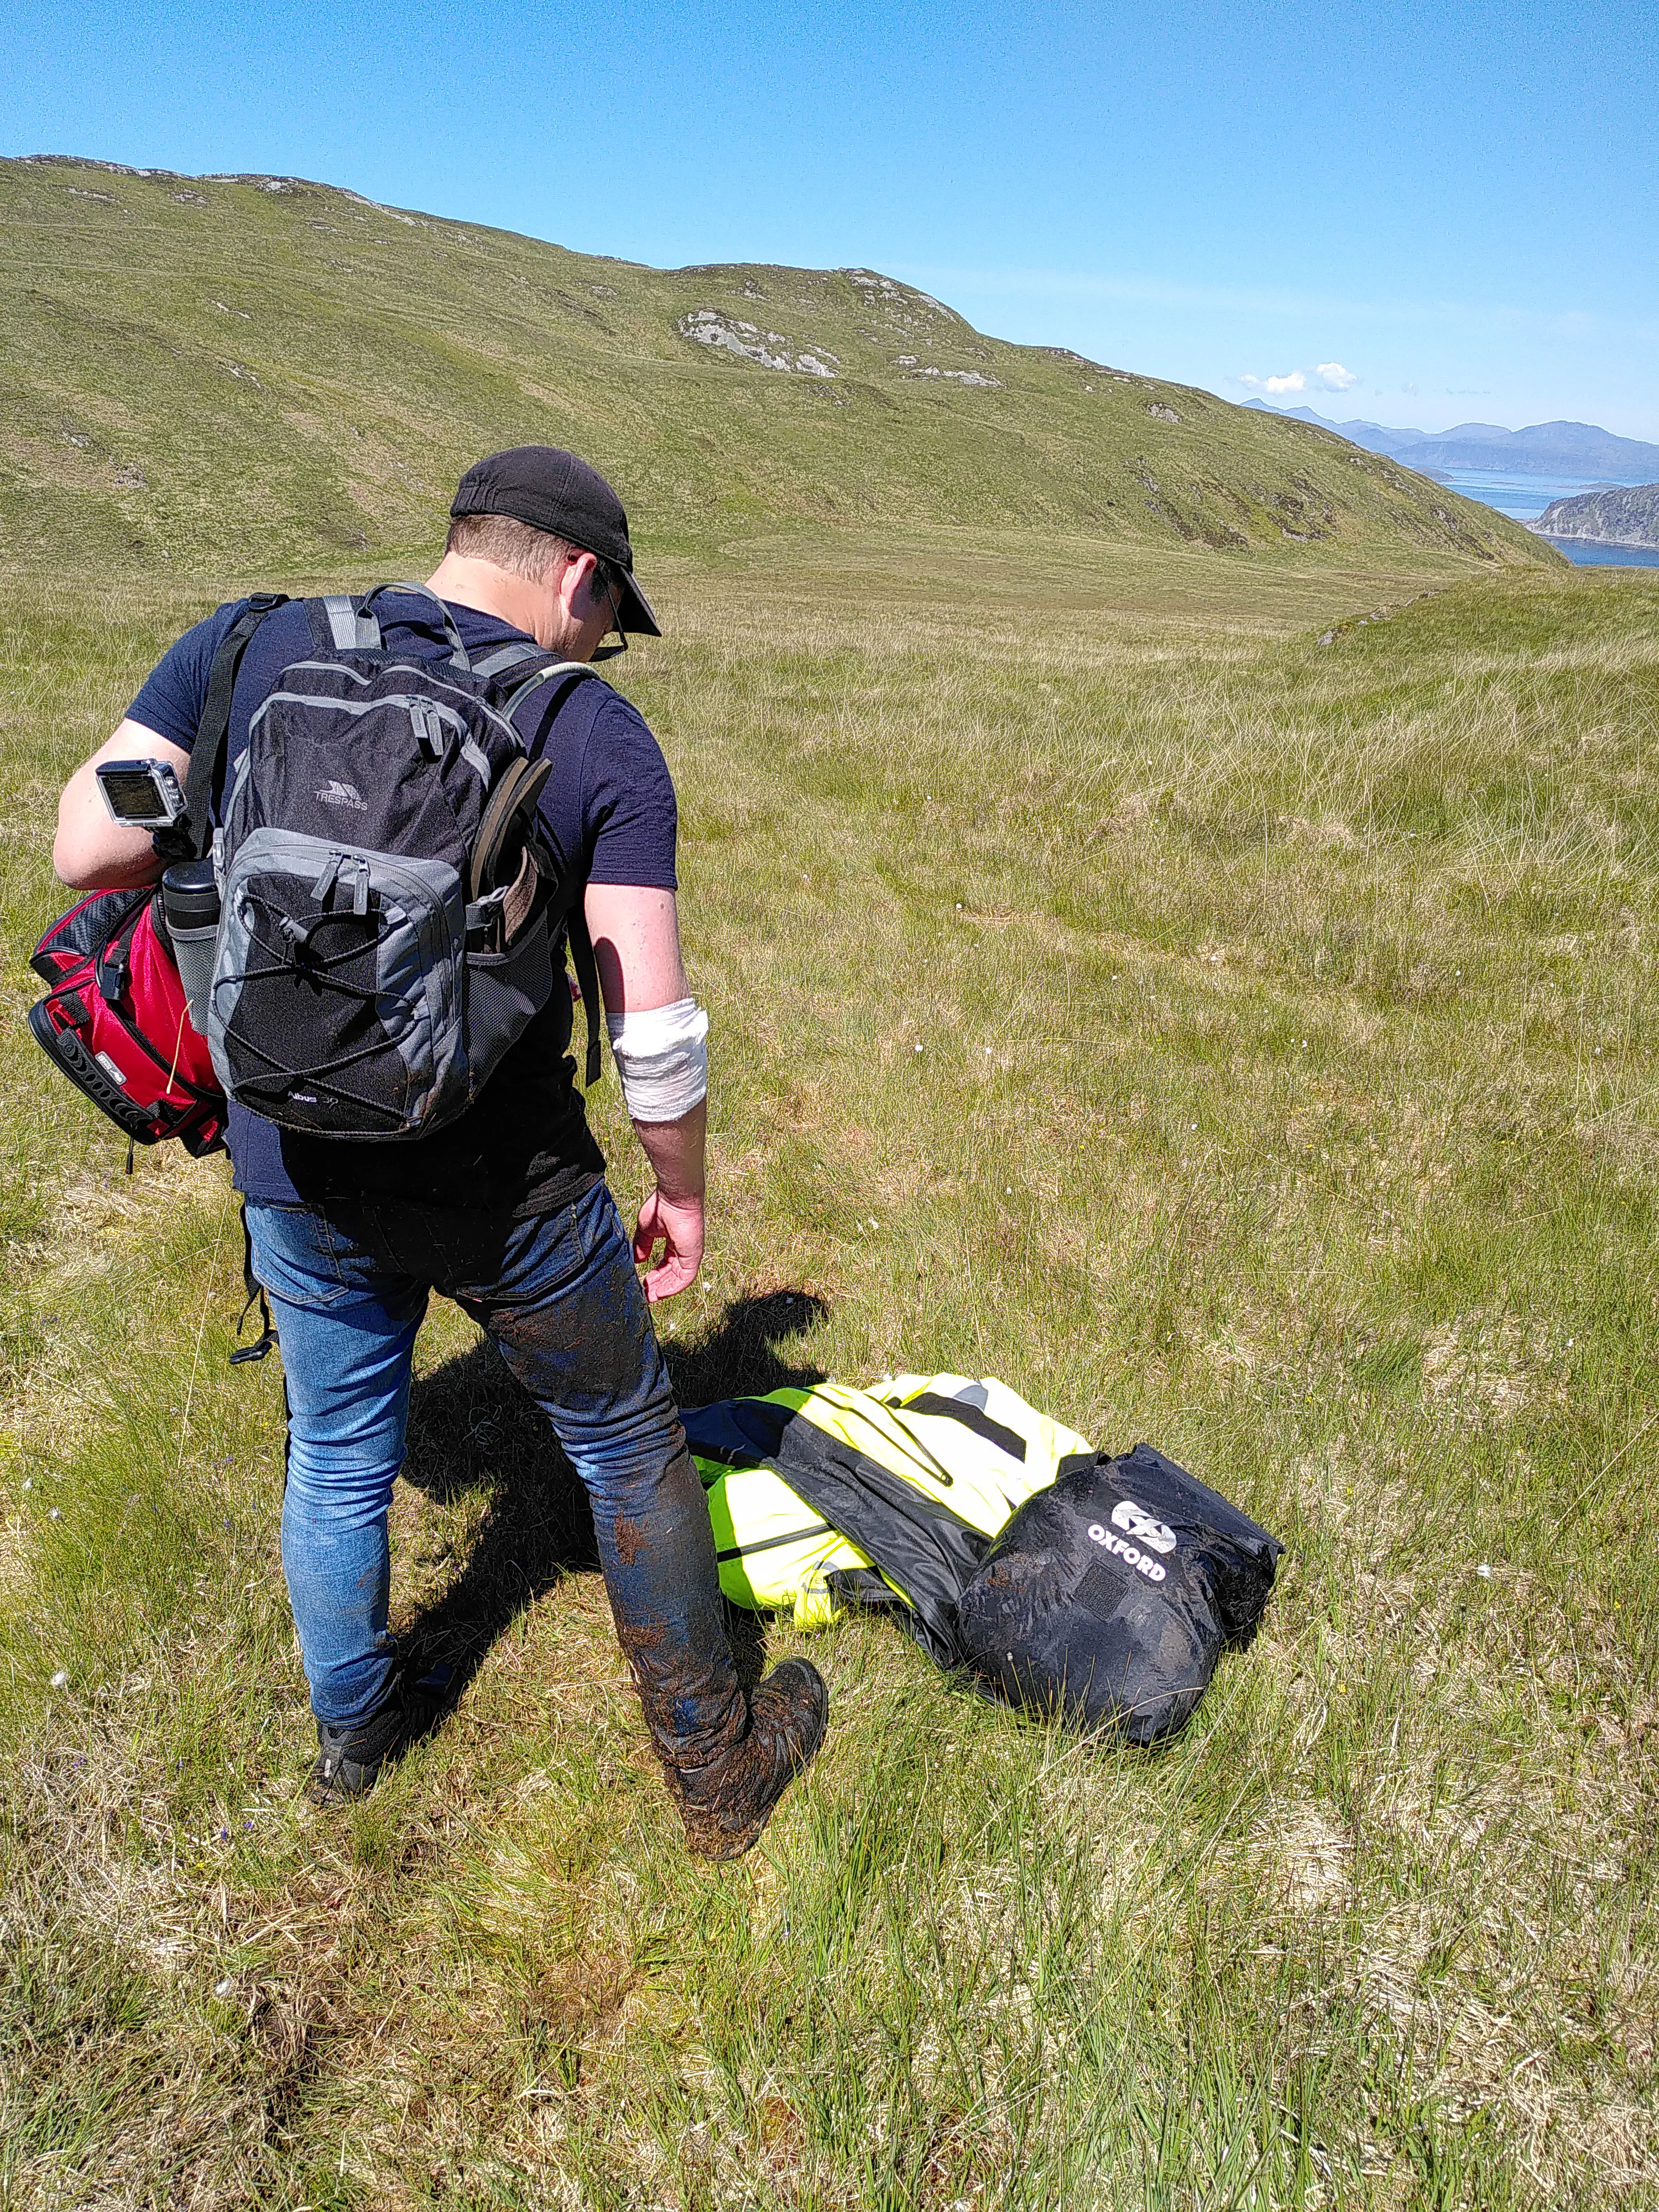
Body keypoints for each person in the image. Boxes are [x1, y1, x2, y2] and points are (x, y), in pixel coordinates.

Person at [51, 446, 827, 1858]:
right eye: (612, 615)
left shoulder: (248, 643)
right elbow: (652, 1030)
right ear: (578, 577)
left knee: (341, 1446)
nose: (604, 642)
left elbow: (82, 846)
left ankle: (356, 1732)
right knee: (627, 1443)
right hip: (509, 1189)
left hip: (292, 1151)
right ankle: (716, 1771)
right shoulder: (593, 732)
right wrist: (683, 1189)